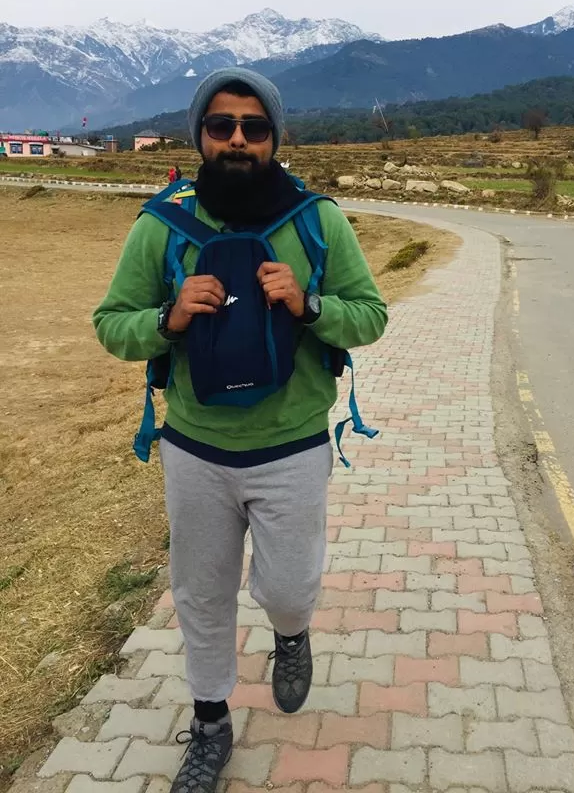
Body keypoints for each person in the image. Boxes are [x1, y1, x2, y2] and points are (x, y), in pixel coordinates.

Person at [93, 69, 387, 793]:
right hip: (194, 449)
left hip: (291, 448)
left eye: (254, 127)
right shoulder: (163, 224)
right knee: (200, 593)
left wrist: (310, 303)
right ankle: (210, 722)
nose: (236, 139)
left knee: (289, 587)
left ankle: (291, 633)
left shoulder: (318, 221)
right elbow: (112, 326)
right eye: (221, 124)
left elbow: (371, 315)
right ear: (199, 133)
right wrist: (168, 318)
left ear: (274, 138)